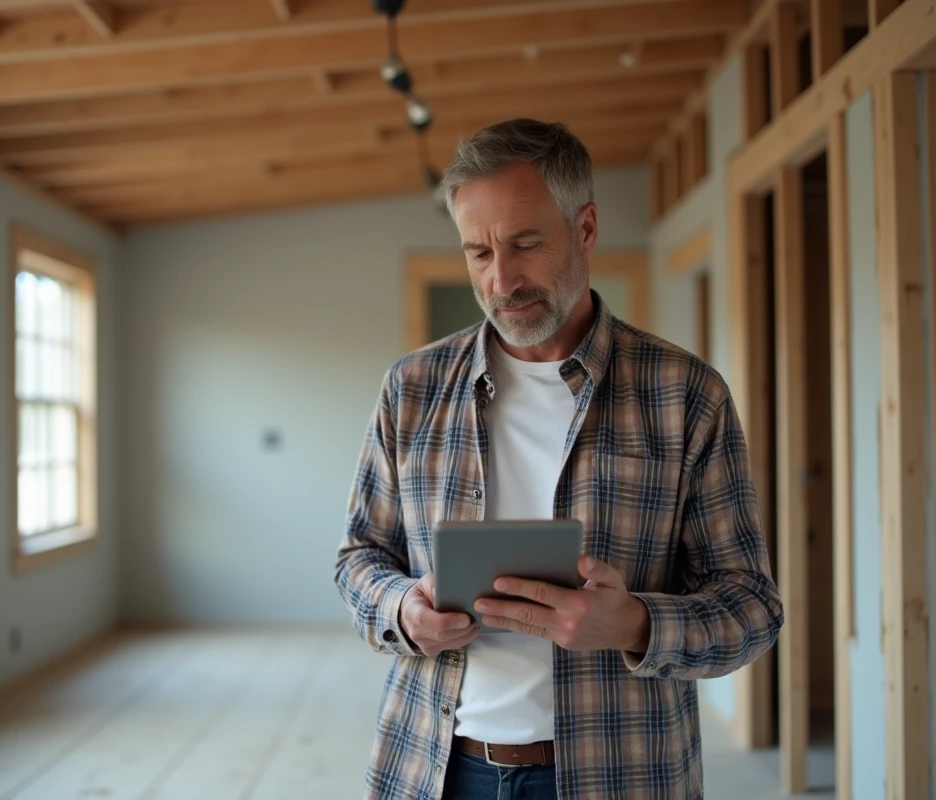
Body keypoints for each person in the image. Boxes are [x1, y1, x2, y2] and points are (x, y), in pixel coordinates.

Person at [334, 118, 782, 800]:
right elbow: (358, 558)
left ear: (586, 228)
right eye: (478, 252)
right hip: (436, 770)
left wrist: (634, 623)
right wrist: (402, 610)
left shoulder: (686, 395)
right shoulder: (412, 388)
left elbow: (753, 608)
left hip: (621, 775)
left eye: (524, 244)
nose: (502, 280)